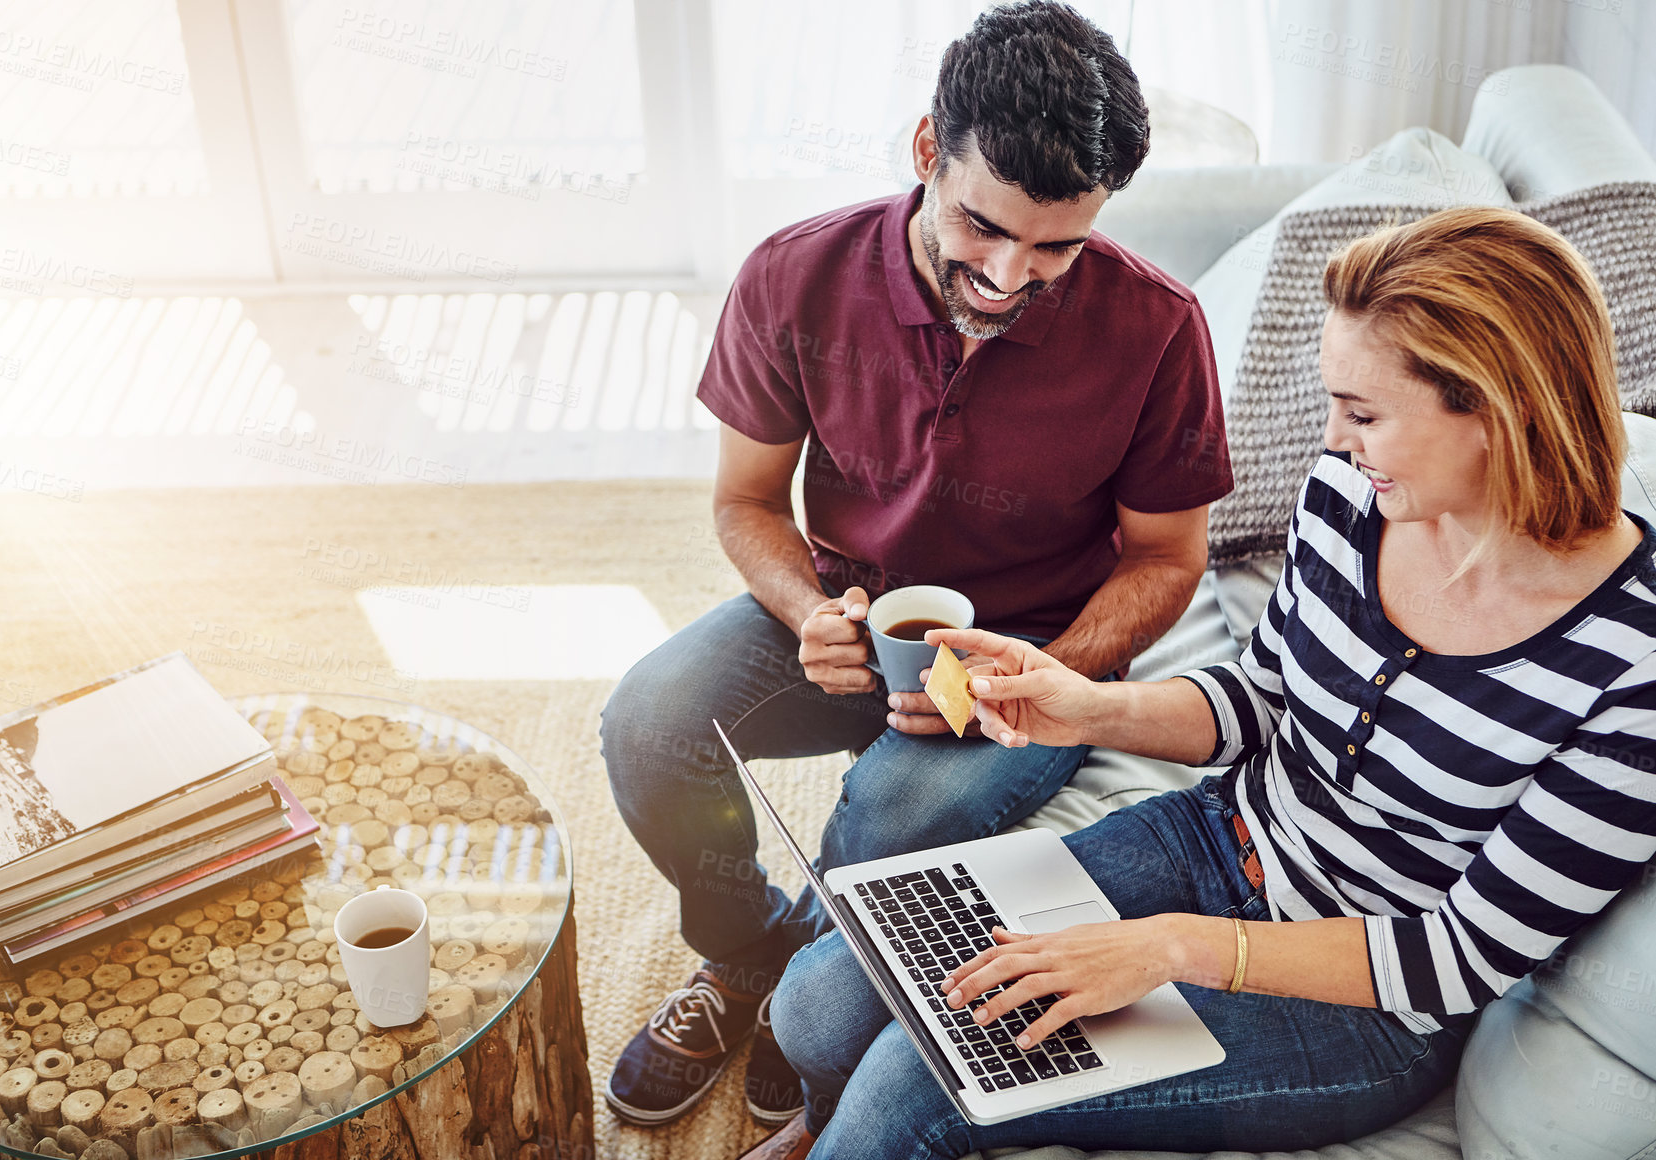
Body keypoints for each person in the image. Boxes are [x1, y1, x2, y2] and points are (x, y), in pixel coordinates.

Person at [761, 205, 1656, 1159]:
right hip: (1212, 840)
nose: (1334, 438)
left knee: (915, 1081)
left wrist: (1169, 947)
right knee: (817, 1005)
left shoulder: (1631, 676)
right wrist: (1090, 706)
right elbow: (1265, 696)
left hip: (1363, 1007)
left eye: (1362, 413)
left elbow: (1456, 959)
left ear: (1496, 406)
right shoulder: (1353, 498)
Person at [601, 0, 1233, 1131]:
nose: (1007, 275)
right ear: (926, 150)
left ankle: (808, 1006)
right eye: (981, 226)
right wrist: (805, 609)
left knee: (884, 822)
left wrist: (1050, 678)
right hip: (845, 604)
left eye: (1055, 246)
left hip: (1034, 645)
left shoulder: (1157, 328)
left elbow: (1166, 558)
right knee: (646, 721)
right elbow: (744, 500)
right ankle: (752, 951)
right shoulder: (792, 277)